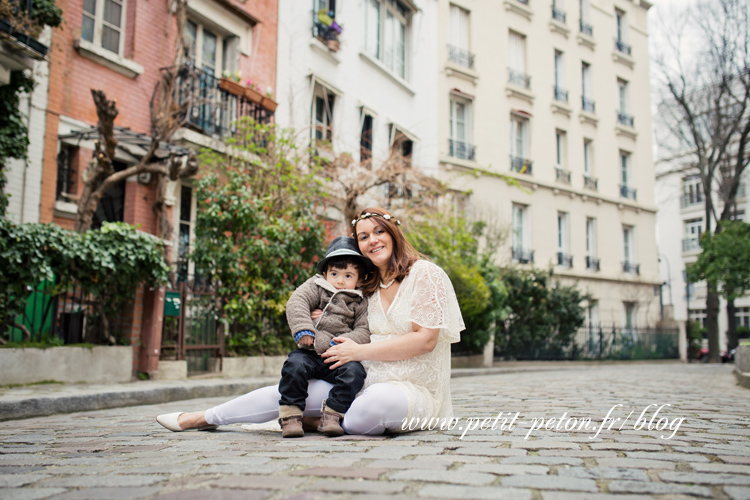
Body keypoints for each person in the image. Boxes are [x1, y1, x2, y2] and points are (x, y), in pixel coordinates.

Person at [155, 207, 464, 435]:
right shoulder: (364, 288)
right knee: (288, 389)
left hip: (412, 390)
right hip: (361, 379)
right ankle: (202, 418)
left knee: (365, 413)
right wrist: (320, 318)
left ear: (394, 233)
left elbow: (425, 340)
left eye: (379, 232)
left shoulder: (424, 274)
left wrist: (357, 352)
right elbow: (328, 309)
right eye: (364, 237)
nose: (373, 241)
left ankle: (312, 420)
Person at [278, 236, 371, 438]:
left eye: (348, 276)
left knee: (355, 372)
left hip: (338, 355)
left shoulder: (360, 301)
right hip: (310, 351)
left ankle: (332, 414)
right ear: (325, 273)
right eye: (335, 274)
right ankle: (291, 415)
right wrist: (304, 329)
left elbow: (364, 330)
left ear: (359, 279)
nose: (339, 280)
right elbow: (297, 302)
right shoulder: (316, 286)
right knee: (293, 366)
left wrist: (340, 342)